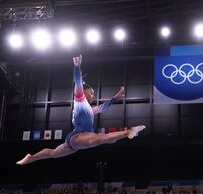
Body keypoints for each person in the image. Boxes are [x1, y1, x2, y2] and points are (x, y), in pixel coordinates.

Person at [16, 54, 145, 165]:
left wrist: (114, 98)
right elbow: (78, 82)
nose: (94, 96)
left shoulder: (90, 109)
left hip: (77, 140)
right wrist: (77, 67)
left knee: (54, 153)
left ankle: (31, 157)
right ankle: (130, 131)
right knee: (103, 138)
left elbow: (103, 107)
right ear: (84, 92)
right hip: (78, 136)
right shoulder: (79, 100)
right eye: (92, 93)